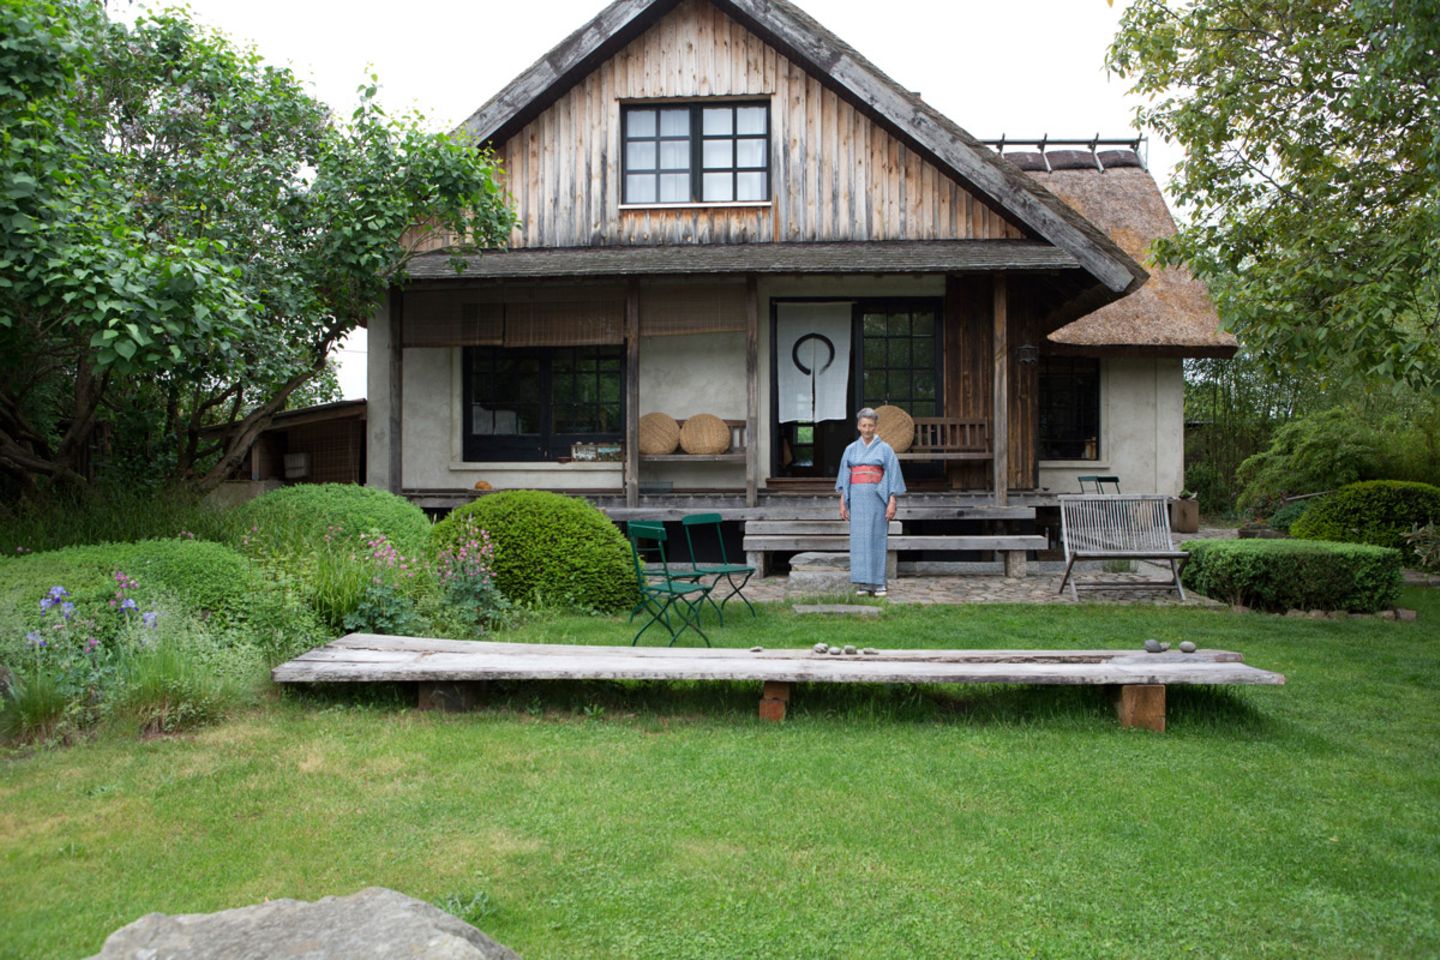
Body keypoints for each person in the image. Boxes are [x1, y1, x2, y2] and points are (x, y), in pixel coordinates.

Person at [836, 407, 906, 596]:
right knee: (859, 540)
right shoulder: (850, 450)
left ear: (876, 427)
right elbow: (845, 477)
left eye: (871, 426)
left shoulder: (885, 450)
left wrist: (892, 501)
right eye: (864, 425)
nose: (867, 429)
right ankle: (864, 583)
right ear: (859, 426)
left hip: (877, 498)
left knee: (877, 537)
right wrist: (843, 502)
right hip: (857, 499)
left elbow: (892, 475)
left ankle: (879, 583)